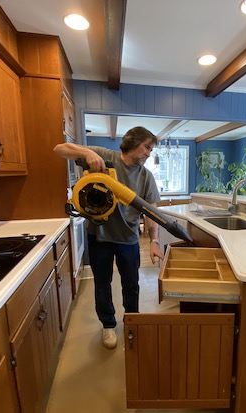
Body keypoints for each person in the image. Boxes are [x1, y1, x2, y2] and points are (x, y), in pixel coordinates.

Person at [53, 126, 165, 349]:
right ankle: (108, 325)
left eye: (151, 150)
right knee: (103, 284)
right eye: (146, 147)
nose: (148, 154)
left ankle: (132, 321)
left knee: (131, 284)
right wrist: (86, 153)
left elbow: (151, 212)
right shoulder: (105, 157)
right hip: (99, 237)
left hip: (129, 239)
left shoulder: (146, 177)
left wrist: (153, 241)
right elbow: (59, 148)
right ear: (132, 142)